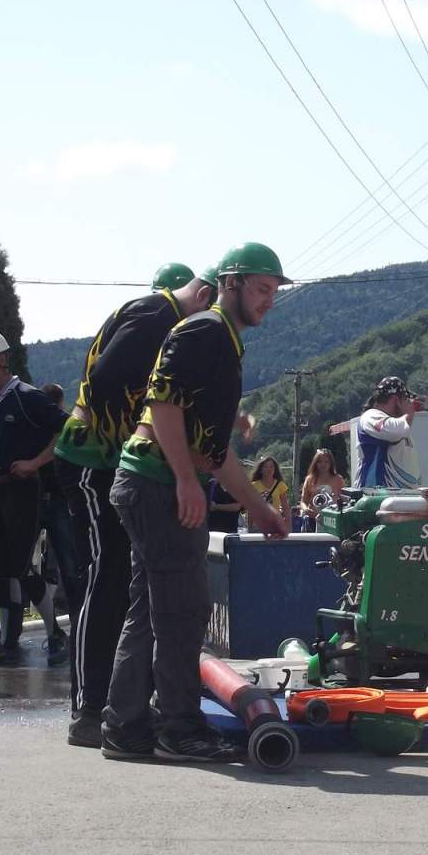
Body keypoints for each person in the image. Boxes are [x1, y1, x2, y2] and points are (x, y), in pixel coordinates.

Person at [103, 242, 289, 762]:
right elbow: (162, 404)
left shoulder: (222, 338)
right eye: (261, 288)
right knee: (182, 612)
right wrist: (186, 481)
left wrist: (256, 506)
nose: (268, 300)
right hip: (157, 485)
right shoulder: (204, 330)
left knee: (151, 611)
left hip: (152, 482)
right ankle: (178, 727)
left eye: (273, 291)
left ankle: (125, 726)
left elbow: (215, 449)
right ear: (230, 284)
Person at [53, 267, 216, 746]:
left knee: (133, 585)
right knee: (104, 578)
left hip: (116, 461)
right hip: (93, 459)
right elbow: (106, 379)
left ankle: (121, 703)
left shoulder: (159, 316)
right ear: (203, 296)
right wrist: (146, 427)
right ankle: (88, 706)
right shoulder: (156, 315)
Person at [0, 330, 67, 664]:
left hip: (23, 491)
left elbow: (66, 429)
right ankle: (13, 637)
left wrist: (35, 463)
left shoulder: (27, 396)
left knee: (20, 566)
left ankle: (44, 635)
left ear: (1, 359)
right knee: (3, 565)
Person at [35, 382, 79, 666]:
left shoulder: (35, 426)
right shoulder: (65, 427)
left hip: (39, 498)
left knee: (42, 568)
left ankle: (57, 631)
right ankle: (77, 629)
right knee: (70, 568)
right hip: (62, 501)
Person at [356, 375, 422, 488]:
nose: (409, 403)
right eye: (406, 399)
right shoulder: (371, 416)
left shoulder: (398, 423)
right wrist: (408, 413)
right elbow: (396, 431)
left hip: (401, 496)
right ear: (396, 399)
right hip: (377, 495)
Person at [299, 447, 345, 528]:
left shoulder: (338, 479)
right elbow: (303, 502)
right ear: (315, 463)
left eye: (326, 462)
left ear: (331, 463)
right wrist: (306, 510)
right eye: (319, 461)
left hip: (332, 520)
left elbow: (344, 500)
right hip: (312, 520)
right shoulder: (309, 479)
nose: (323, 464)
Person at [250, 456, 290, 522]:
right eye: (266, 467)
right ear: (261, 470)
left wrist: (288, 523)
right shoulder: (254, 486)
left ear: (275, 470)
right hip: (258, 522)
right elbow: (251, 507)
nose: (269, 469)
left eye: (271, 467)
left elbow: (285, 507)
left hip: (275, 522)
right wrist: (250, 525)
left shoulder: (281, 485)